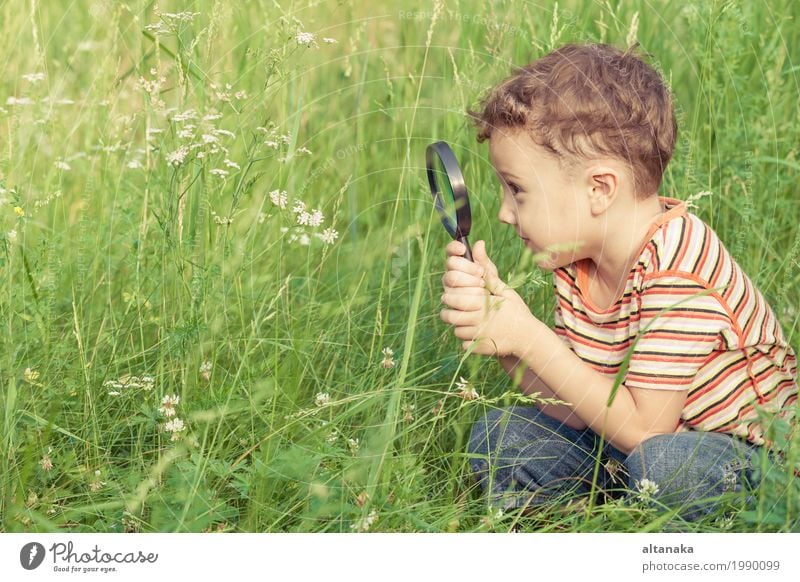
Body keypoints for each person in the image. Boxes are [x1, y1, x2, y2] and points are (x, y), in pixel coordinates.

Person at [438, 43, 798, 522]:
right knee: (503, 433)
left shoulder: (679, 262)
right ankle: (603, 519)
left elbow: (647, 431)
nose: (504, 213)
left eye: (517, 190)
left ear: (599, 189)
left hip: (755, 465)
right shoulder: (577, 260)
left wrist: (531, 335)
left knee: (664, 467)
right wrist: (506, 341)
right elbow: (580, 403)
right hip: (636, 446)